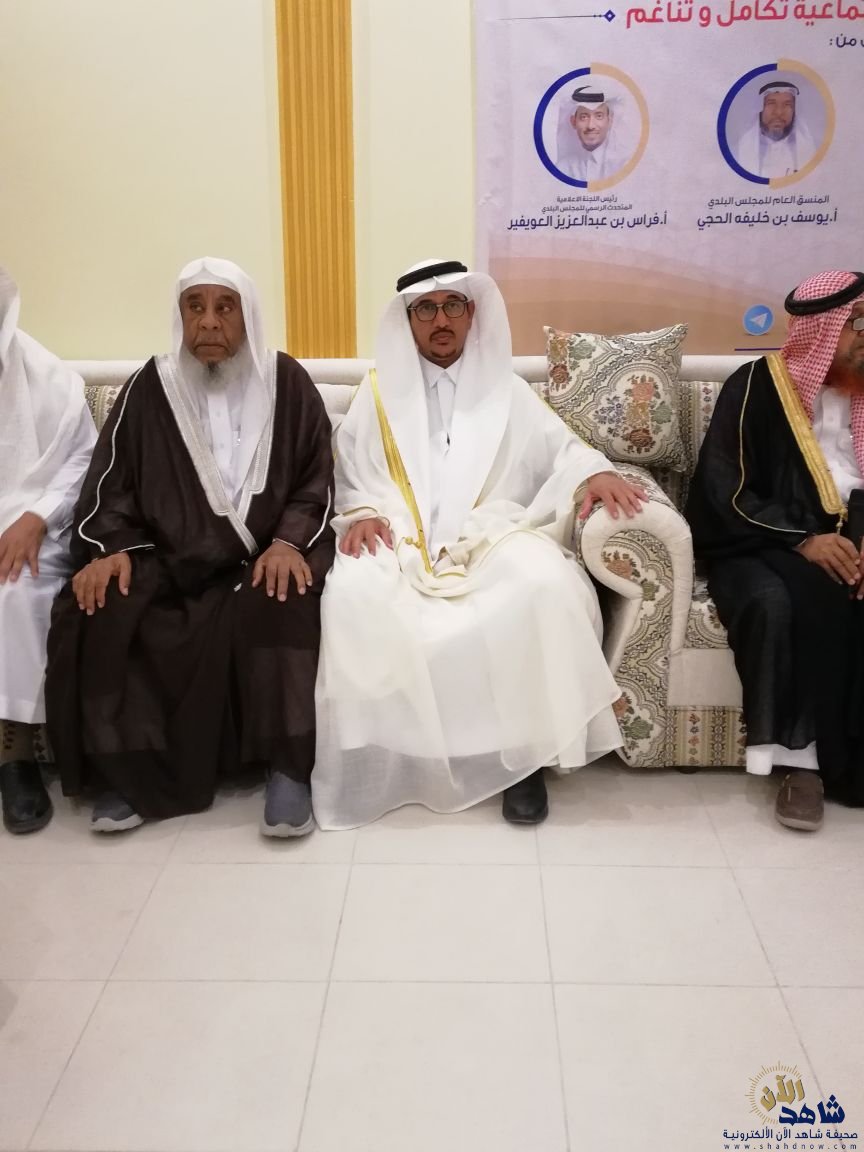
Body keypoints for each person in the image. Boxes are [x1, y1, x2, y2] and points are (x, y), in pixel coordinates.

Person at [313, 258, 645, 829]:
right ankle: (391, 753)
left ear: (471, 314)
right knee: (352, 594)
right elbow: (349, 470)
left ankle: (523, 758)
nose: (440, 320)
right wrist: (362, 511)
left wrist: (594, 471)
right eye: (425, 309)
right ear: (407, 322)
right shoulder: (378, 393)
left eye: (452, 306)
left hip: (492, 532)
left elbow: (563, 449)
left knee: (543, 584)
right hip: (403, 537)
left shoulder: (506, 389)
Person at [46, 258, 334, 836]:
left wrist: (287, 542)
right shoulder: (149, 387)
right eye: (194, 307)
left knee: (284, 592)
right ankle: (126, 776)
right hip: (167, 558)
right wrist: (111, 548)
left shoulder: (287, 381)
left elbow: (316, 477)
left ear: (248, 317)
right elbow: (109, 483)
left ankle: (287, 770)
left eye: (224, 307)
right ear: (179, 317)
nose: (208, 322)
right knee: (104, 601)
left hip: (260, 556)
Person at [686, 270, 864, 831]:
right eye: (857, 325)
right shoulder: (756, 386)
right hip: (760, 540)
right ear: (821, 330)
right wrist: (803, 539)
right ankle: (801, 764)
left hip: (855, 535)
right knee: (783, 603)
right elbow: (726, 488)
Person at [0, 267, 97, 834]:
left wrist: (35, 517)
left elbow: (83, 461)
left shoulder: (49, 378)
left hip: (36, 531)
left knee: (14, 591)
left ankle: (14, 758)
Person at [734, 79, 817, 179]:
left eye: (787, 105)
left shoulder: (812, 151)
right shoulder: (738, 151)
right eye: (771, 103)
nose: (778, 112)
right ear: (760, 108)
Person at [557, 85, 628, 182]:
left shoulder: (624, 166)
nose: (591, 126)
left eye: (599, 116)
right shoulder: (562, 168)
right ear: (573, 122)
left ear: (610, 121)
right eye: (584, 117)